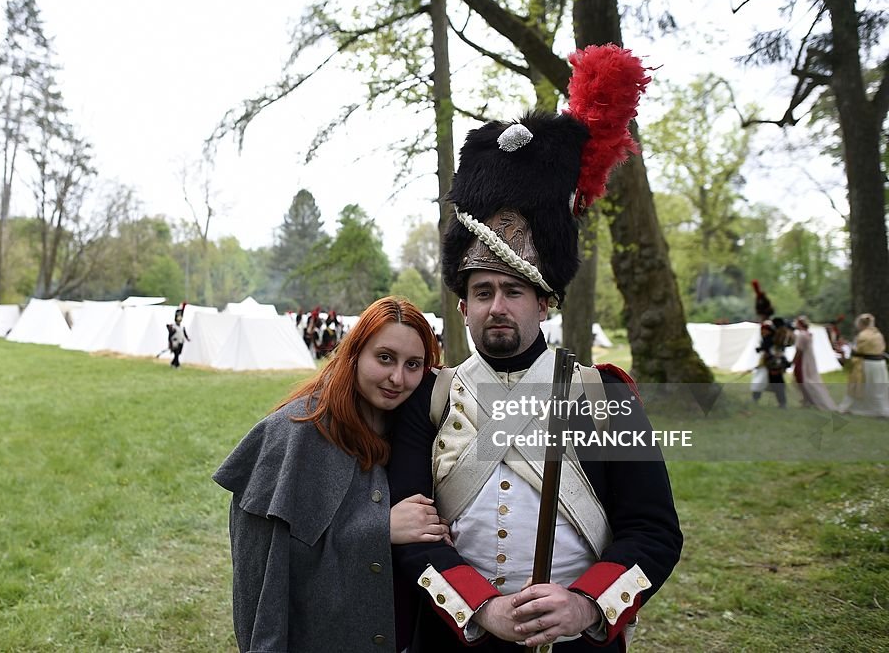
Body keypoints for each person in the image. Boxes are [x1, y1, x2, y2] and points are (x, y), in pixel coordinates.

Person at [389, 44, 682, 652]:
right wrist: (480, 610)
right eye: (483, 290)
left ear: (544, 300)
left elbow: (652, 531)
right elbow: (410, 533)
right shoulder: (430, 397)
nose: (499, 305)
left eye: (515, 290)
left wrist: (585, 606)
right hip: (458, 638)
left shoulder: (605, 395)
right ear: (462, 303)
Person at [213, 296, 446, 652]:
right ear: (354, 354)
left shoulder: (419, 431)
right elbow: (262, 578)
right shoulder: (291, 435)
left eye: (413, 364)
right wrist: (379, 528)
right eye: (384, 358)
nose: (397, 378)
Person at [839, 313, 889, 418]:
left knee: (865, 386)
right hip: (879, 364)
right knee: (878, 388)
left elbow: (857, 350)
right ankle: (880, 408)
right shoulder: (878, 334)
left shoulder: (862, 335)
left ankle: (865, 408)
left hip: (867, 364)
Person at [791, 315, 837, 411]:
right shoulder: (808, 334)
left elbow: (799, 350)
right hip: (808, 358)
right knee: (805, 378)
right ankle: (807, 399)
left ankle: (807, 399)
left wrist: (793, 360)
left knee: (802, 379)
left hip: (802, 359)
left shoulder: (802, 335)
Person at [751, 320, 790, 408]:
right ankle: (755, 399)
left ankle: (782, 403)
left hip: (773, 365)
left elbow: (773, 352)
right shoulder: (770, 339)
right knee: (760, 382)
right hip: (769, 364)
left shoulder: (772, 339)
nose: (762, 332)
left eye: (764, 330)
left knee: (774, 383)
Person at [166, 303, 191, 368]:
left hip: (181, 341)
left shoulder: (182, 326)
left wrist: (187, 338)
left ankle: (173, 363)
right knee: (176, 353)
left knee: (178, 353)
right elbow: (170, 333)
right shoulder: (173, 326)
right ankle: (177, 365)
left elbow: (184, 333)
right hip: (175, 342)